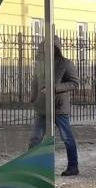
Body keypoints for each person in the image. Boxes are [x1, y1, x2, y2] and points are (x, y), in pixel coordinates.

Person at [28, 38, 81, 177]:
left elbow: (74, 83)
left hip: (58, 107)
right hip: (42, 106)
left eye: (51, 47)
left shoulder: (66, 64)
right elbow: (35, 80)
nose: (47, 50)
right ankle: (31, 166)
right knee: (35, 138)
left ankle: (73, 166)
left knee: (67, 138)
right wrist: (33, 96)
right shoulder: (40, 63)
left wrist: (54, 88)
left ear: (56, 48)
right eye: (45, 47)